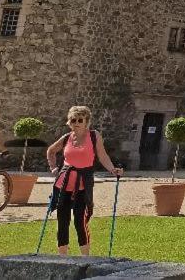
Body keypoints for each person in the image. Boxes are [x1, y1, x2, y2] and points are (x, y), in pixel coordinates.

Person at [45, 105, 123, 256]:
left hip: (83, 184)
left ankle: (85, 258)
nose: (76, 122)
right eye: (73, 120)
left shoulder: (94, 136)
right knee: (62, 221)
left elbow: (103, 156)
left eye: (80, 119)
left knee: (80, 220)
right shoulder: (67, 137)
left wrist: (112, 169)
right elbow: (51, 151)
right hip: (63, 184)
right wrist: (54, 168)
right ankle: (62, 258)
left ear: (86, 121)